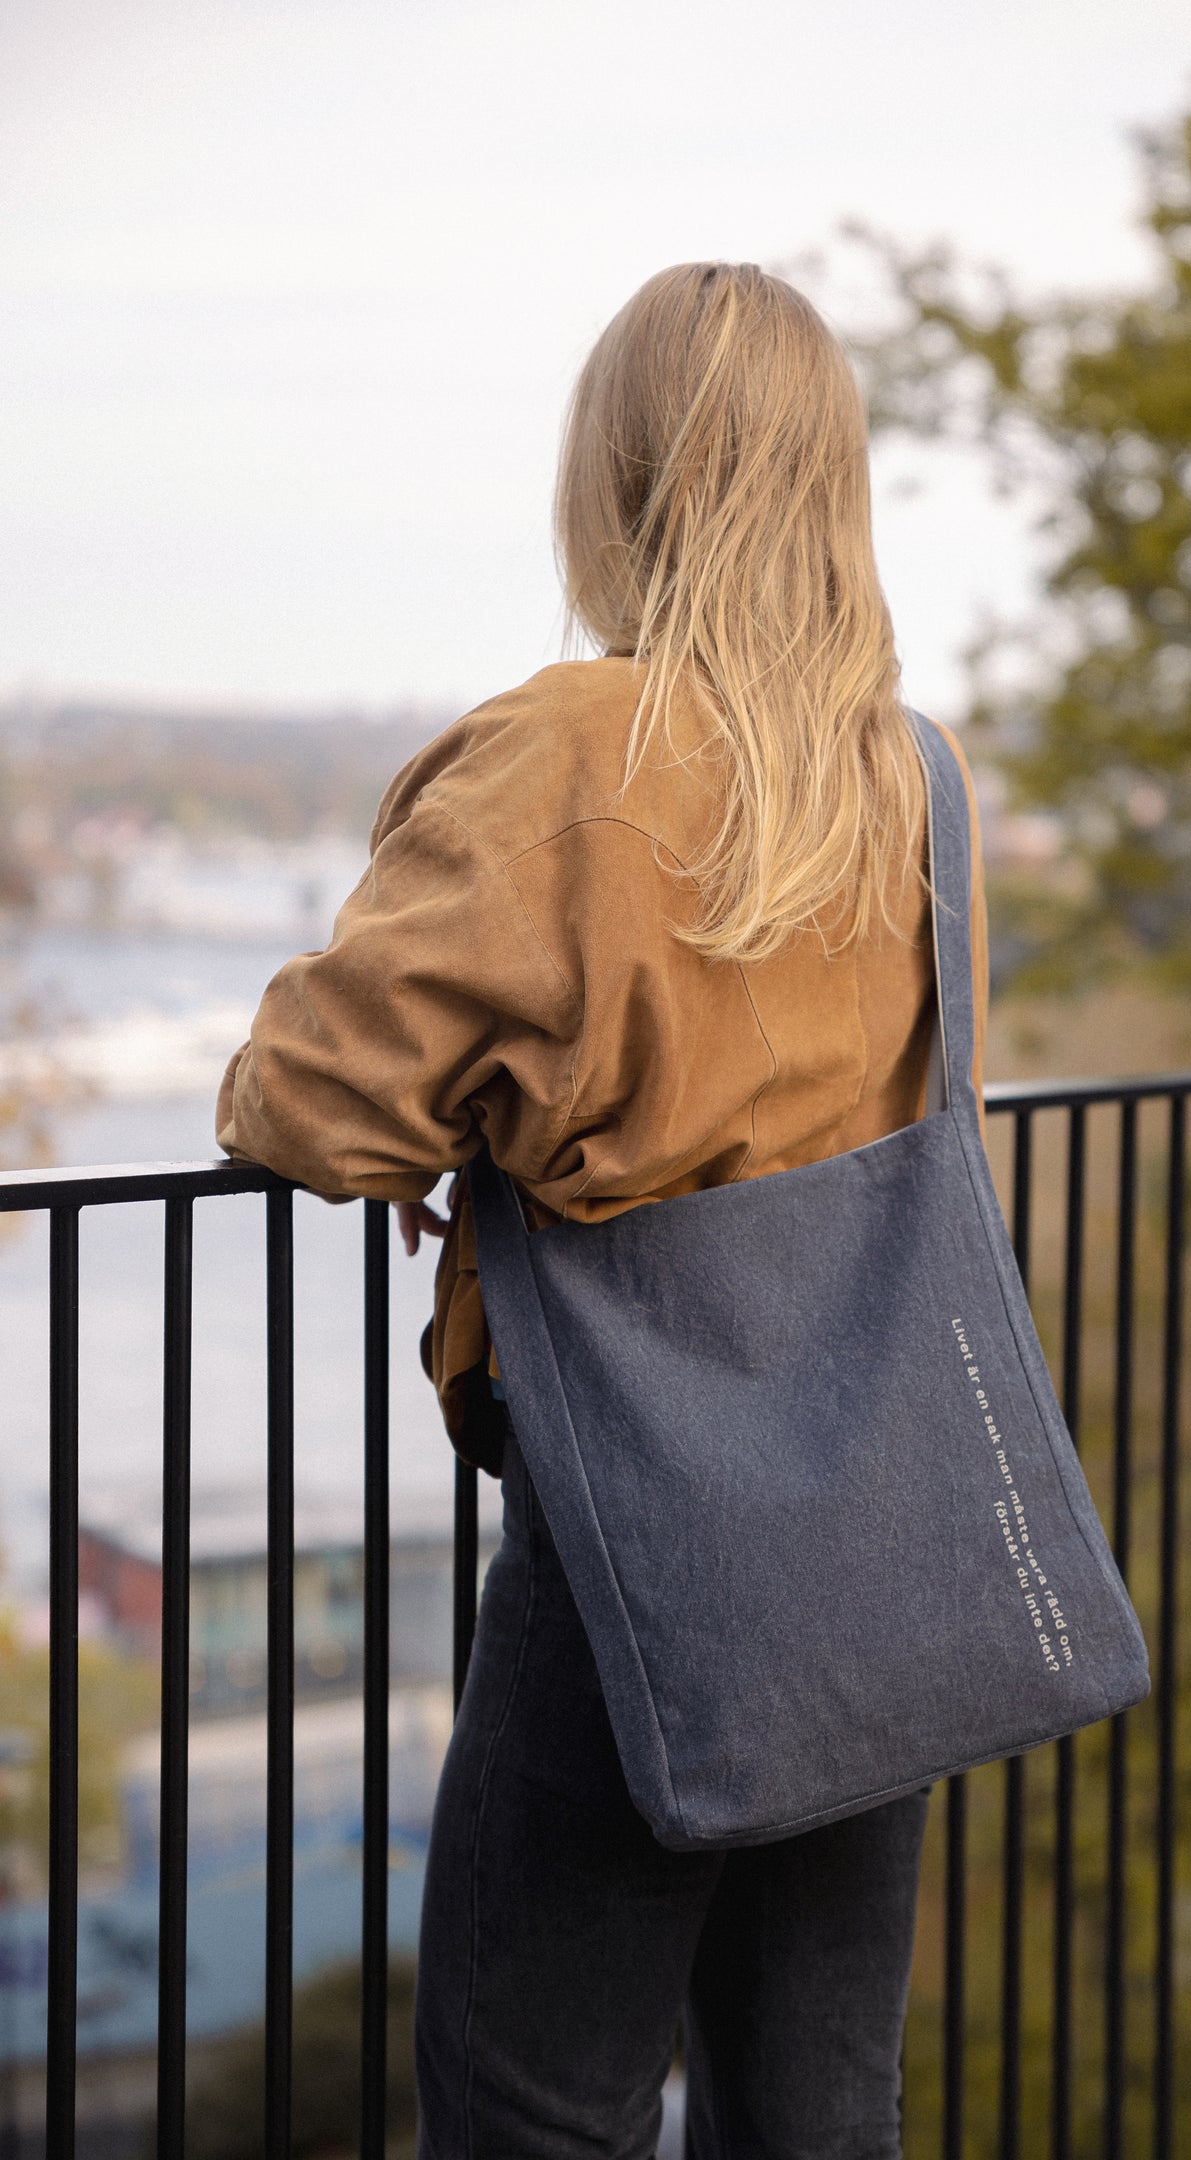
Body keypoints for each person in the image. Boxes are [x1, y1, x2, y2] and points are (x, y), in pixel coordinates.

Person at [217, 260, 989, 2160]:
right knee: (819, 2103)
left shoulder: (572, 754)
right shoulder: (916, 777)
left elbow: (303, 1107)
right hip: (874, 1531)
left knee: (529, 2100)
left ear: (617, 480)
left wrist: (495, 1139)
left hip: (638, 1531)